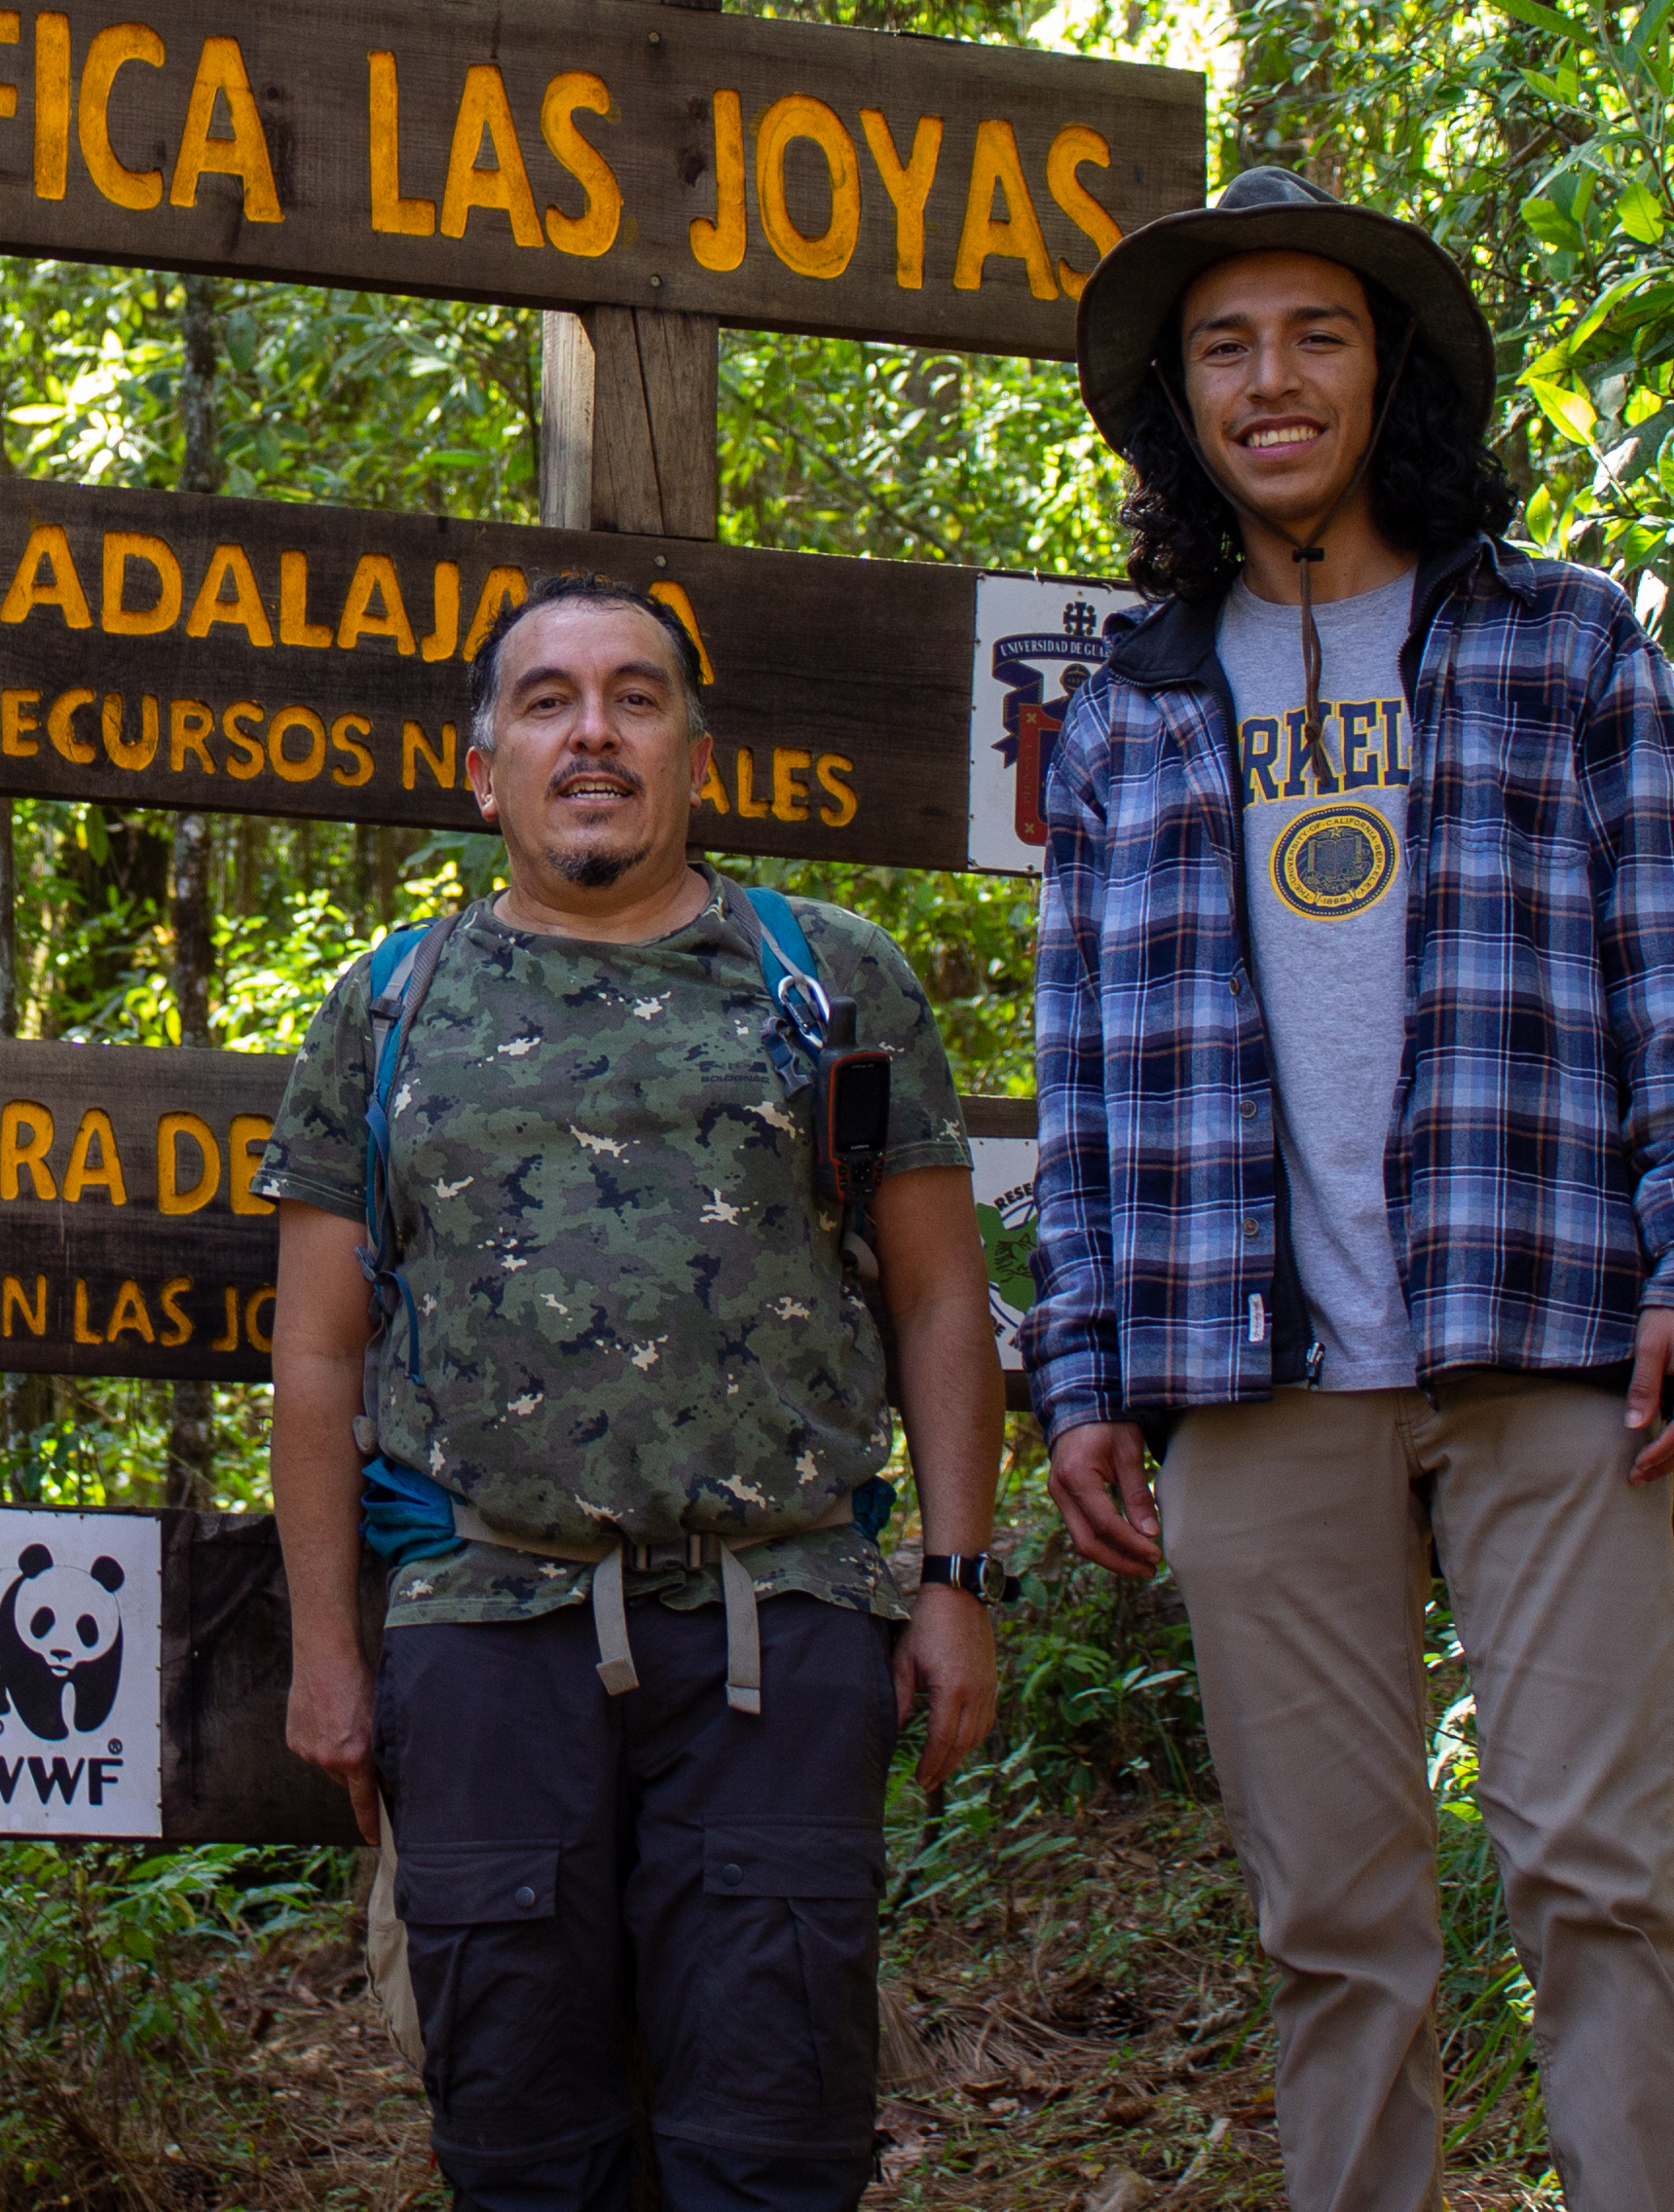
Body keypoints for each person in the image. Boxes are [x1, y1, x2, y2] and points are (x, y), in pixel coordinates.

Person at [1027, 166, 1674, 2212]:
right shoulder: (1124, 713)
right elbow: (1079, 1077)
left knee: (1597, 1874)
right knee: (1332, 1922)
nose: (1271, 383)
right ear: (1178, 403)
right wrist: (1079, 1369)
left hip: (1544, 1329)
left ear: (1391, 375)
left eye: (1317, 335)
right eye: (1225, 348)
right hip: (1250, 1374)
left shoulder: (1563, 641)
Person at [267, 572, 1003, 2212]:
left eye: (634, 697)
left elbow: (945, 1296)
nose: (590, 732)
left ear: (694, 751)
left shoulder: (833, 981)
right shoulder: (387, 1007)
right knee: (524, 2149)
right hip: (481, 1638)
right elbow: (315, 1352)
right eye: (547, 701)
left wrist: (955, 1584)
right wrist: (329, 1655)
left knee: (772, 2145)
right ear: (484, 770)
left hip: (784, 1627)